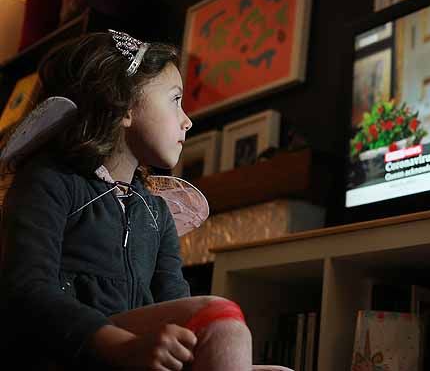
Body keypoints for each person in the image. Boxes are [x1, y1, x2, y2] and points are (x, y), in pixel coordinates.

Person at [0, 31, 253, 370]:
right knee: (222, 322)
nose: (187, 121)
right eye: (176, 100)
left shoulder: (156, 211)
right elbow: (26, 291)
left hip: (132, 348)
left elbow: (175, 303)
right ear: (125, 107)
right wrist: (122, 347)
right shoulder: (49, 181)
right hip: (66, 350)